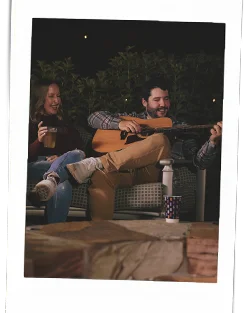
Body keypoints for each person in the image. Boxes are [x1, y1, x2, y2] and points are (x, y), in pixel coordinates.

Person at [66, 78, 222, 221]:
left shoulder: (179, 127)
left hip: (149, 172)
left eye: (166, 99)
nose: (163, 104)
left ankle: (95, 163)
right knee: (101, 175)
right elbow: (93, 118)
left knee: (160, 139)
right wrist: (118, 124)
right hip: (121, 171)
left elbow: (198, 162)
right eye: (156, 100)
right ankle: (101, 237)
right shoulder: (131, 118)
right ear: (144, 102)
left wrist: (212, 143)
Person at [27, 79, 88, 224]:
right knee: (71, 163)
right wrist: (38, 141)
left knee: (76, 158)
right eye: (51, 96)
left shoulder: (65, 123)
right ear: (41, 99)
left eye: (58, 96)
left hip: (59, 164)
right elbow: (19, 157)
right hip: (35, 164)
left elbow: (80, 150)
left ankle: (52, 237)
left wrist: (60, 158)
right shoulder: (30, 122)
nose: (57, 100)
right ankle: (55, 175)